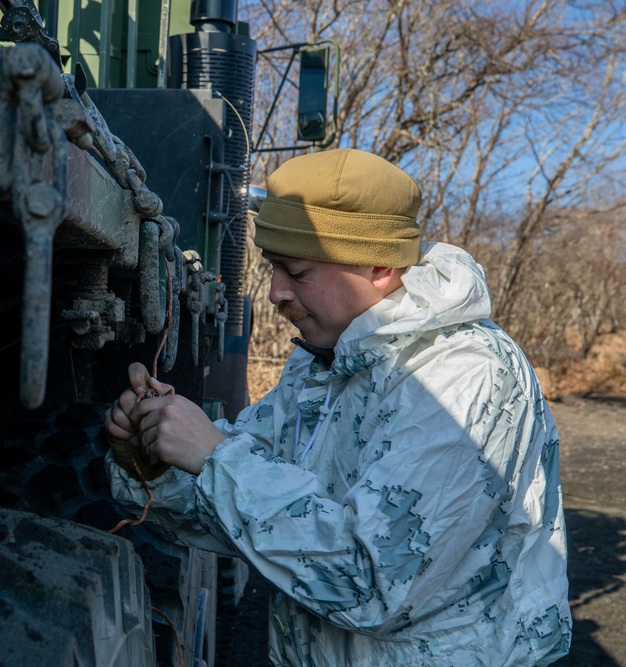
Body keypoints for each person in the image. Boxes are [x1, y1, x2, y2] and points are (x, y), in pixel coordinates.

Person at [104, 148, 571, 666]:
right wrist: (154, 458)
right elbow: (255, 519)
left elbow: (369, 582)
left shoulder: (463, 378)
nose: (277, 293)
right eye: (273, 268)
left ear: (379, 265)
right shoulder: (326, 361)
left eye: (298, 272)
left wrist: (214, 455)